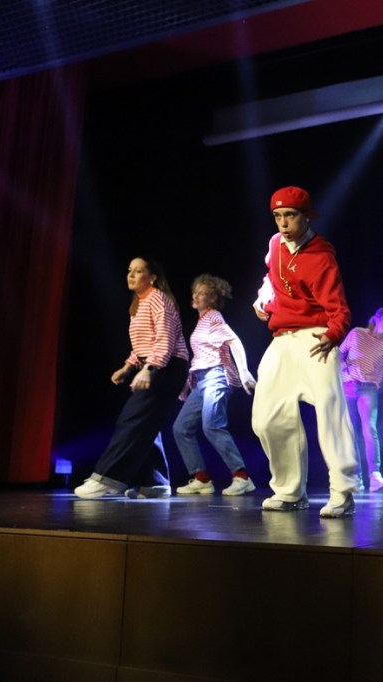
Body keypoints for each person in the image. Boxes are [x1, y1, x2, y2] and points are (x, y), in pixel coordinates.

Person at [251, 186, 358, 517]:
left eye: (290, 215)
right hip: (282, 338)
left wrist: (333, 334)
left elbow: (339, 309)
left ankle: (342, 491)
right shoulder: (275, 244)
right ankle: (290, 491)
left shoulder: (321, 257)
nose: (283, 223)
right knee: (266, 418)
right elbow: (270, 278)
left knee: (330, 412)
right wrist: (263, 299)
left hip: (316, 337)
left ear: (306, 216)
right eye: (278, 216)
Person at [74, 257, 189, 499]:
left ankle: (107, 478)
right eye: (129, 271)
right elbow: (142, 344)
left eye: (138, 271)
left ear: (152, 277)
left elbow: (165, 338)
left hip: (167, 365)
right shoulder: (140, 303)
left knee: (132, 419)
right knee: (146, 423)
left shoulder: (158, 298)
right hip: (157, 364)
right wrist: (128, 367)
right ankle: (155, 483)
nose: (131, 275)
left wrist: (150, 368)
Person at [173, 274, 258, 496]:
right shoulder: (202, 321)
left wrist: (244, 372)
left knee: (212, 425)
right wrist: (186, 385)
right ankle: (201, 479)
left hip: (216, 376)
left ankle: (242, 477)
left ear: (213, 298)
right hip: (201, 380)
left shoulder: (213, 316)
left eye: (203, 293)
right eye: (196, 291)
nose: (196, 295)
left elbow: (234, 341)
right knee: (181, 428)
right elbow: (201, 356)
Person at [340, 306, 383, 492]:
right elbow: (339, 354)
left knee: (369, 430)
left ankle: (375, 475)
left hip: (368, 389)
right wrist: (341, 370)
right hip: (348, 385)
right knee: (350, 431)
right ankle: (355, 477)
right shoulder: (357, 333)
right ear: (376, 319)